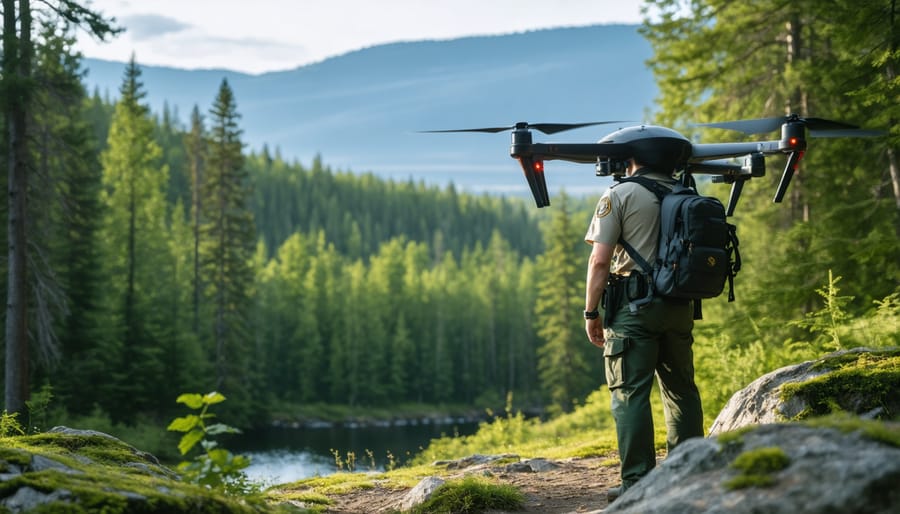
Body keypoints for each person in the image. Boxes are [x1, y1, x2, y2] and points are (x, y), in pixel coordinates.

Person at [583, 154, 704, 503]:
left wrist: (591, 312)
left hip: (634, 311)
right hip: (680, 306)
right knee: (681, 390)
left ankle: (637, 484)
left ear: (631, 158)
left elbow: (600, 260)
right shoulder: (684, 192)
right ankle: (689, 475)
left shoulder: (619, 195)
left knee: (630, 393)